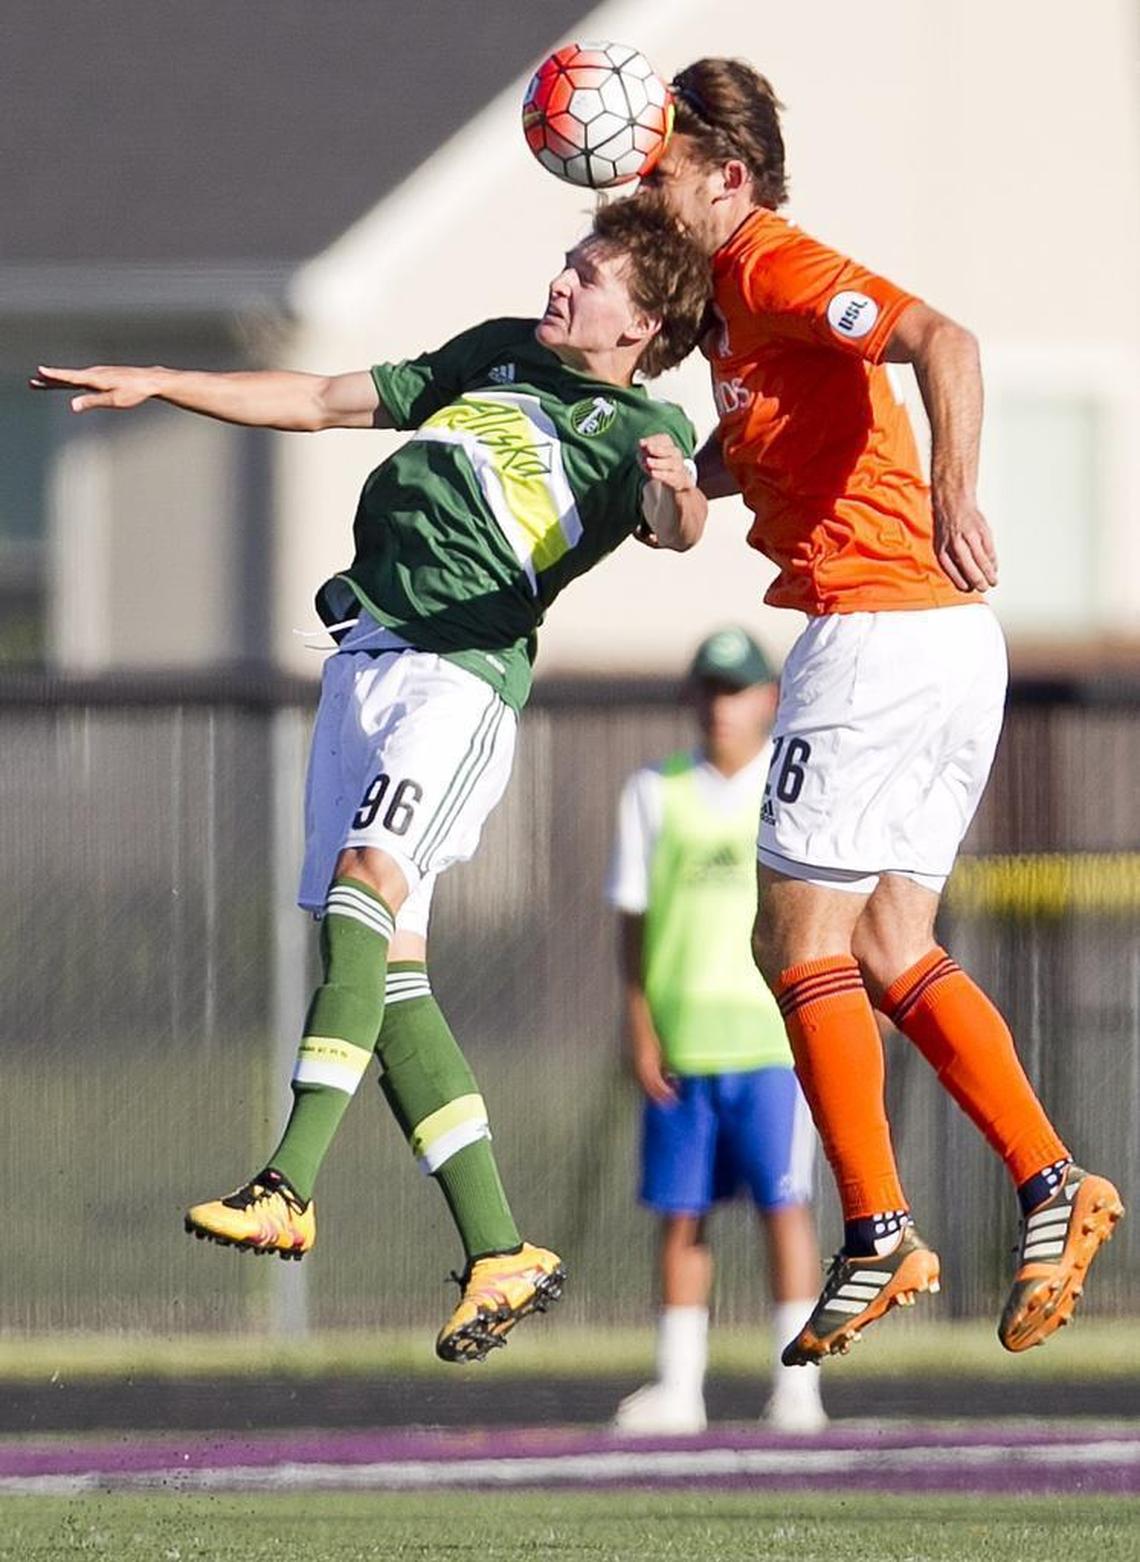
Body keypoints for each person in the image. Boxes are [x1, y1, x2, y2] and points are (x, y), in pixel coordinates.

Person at [33, 195, 712, 1364]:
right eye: (568, 260)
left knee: (365, 881)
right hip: (363, 667)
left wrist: (675, 484)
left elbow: (676, 521)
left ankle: (288, 1181)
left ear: (641, 324)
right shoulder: (498, 350)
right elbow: (316, 399)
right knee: (386, 973)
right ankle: (499, 1246)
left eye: (590, 274)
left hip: (457, 676)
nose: (562, 280)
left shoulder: (638, 424)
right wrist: (163, 379)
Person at [642, 58, 1124, 1364]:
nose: (645, 190)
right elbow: (748, 459)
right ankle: (1051, 1180)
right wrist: (677, 482)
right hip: (942, 643)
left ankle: (877, 1229)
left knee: (791, 933)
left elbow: (943, 340)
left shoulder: (770, 262)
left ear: (728, 177)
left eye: (661, 168)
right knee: (892, 939)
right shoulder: (729, 315)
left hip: (876, 634)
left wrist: (955, 488)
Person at [607, 627, 827, 1434]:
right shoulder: (654, 792)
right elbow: (632, 923)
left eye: (736, 690)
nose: (721, 707)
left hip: (774, 1045)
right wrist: (641, 1027)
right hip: (684, 1045)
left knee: (785, 1207)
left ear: (769, 697)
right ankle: (680, 1387)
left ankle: (798, 1386)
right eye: (709, 689)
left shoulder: (789, 786)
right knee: (682, 1214)